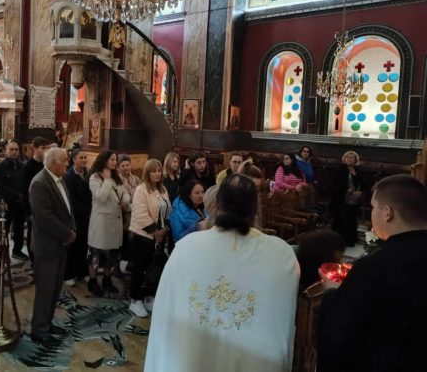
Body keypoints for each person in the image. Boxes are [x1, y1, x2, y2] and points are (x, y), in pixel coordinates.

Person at [145, 174, 300, 372]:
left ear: (217, 206)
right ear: (256, 208)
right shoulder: (281, 255)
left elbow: (166, 316)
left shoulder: (186, 247)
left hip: (192, 360)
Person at [318, 175, 427, 372]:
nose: (372, 214)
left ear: (387, 213)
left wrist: (332, 293)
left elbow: (342, 333)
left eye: (373, 207)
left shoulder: (374, 267)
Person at [28, 148, 76, 345]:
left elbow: (68, 208)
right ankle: (39, 330)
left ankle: (47, 323)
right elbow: (45, 217)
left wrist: (72, 228)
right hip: (47, 246)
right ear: (53, 163)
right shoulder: (39, 183)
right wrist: (67, 233)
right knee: (45, 291)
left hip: (60, 244)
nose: (67, 163)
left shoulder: (59, 179)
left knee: (55, 289)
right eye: (65, 160)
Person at [128, 159, 171, 318]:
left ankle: (148, 296)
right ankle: (135, 300)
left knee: (154, 268)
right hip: (143, 236)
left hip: (159, 236)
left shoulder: (163, 189)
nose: (157, 173)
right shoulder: (141, 190)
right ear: (147, 173)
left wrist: (165, 227)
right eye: (154, 171)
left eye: (159, 170)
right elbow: (140, 214)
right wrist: (155, 232)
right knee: (139, 269)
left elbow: (168, 209)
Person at [87, 150, 129, 296]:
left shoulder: (117, 176)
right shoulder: (95, 177)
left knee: (112, 254)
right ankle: (93, 281)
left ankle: (107, 279)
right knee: (96, 254)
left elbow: (125, 193)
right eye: (112, 159)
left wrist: (125, 201)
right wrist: (107, 180)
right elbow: (100, 197)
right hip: (101, 223)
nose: (115, 162)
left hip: (115, 222)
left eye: (115, 159)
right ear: (104, 160)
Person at [63, 148, 92, 286]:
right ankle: (68, 273)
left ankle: (82, 271)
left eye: (85, 157)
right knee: (73, 245)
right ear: (74, 159)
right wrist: (85, 211)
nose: (84, 160)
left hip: (88, 215)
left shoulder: (88, 174)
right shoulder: (69, 175)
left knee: (84, 244)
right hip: (75, 215)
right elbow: (71, 198)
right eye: (81, 157)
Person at [0, 140, 27, 260]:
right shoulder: (0, 167)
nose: (14, 152)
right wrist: (16, 195)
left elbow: (24, 183)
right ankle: (3, 252)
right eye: (11, 150)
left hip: (20, 203)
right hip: (7, 203)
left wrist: (22, 196)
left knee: (19, 228)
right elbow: (1, 186)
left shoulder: (22, 166)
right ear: (6, 151)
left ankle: (17, 251)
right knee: (5, 229)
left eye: (16, 150)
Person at [23, 137, 50, 263]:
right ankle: (33, 258)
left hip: (45, 206)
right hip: (33, 207)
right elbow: (25, 191)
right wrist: (28, 212)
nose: (45, 151)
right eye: (43, 148)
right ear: (35, 148)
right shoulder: (28, 167)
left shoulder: (46, 165)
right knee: (33, 233)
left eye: (47, 148)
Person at [329, 151, 363, 247]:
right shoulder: (340, 169)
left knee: (352, 219)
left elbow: (361, 182)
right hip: (342, 199)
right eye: (347, 157)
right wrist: (349, 191)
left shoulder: (357, 169)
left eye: (351, 157)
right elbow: (337, 183)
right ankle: (340, 241)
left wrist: (359, 191)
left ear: (355, 159)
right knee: (342, 219)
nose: (349, 159)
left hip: (354, 199)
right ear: (344, 159)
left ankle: (350, 240)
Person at [118, 153, 139, 267]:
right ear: (118, 167)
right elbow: (120, 202)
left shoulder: (136, 179)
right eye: (123, 166)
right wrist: (133, 206)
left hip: (135, 215)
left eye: (128, 165)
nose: (126, 167)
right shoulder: (116, 181)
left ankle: (129, 265)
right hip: (122, 216)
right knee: (123, 241)